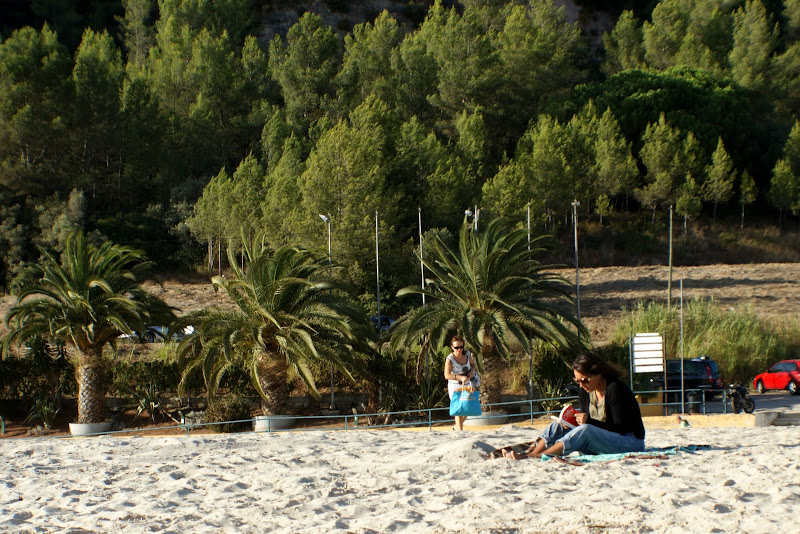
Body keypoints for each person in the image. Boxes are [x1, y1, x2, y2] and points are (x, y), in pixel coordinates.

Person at [502, 352, 645, 459]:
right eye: (578, 382)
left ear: (599, 373)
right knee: (557, 425)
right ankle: (534, 453)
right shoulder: (585, 391)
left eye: (585, 380)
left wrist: (588, 421)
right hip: (601, 440)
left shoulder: (615, 389)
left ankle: (535, 457)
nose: (582, 385)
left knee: (586, 430)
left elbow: (621, 428)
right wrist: (570, 422)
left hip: (629, 441)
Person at [444, 335, 480, 431]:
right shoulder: (450, 359)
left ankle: (456, 427)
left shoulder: (468, 354)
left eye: (461, 347)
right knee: (458, 408)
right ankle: (460, 431)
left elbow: (473, 364)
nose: (459, 350)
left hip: (467, 383)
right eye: (456, 347)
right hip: (454, 384)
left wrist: (472, 371)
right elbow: (447, 375)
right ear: (452, 347)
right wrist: (460, 377)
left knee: (467, 407)